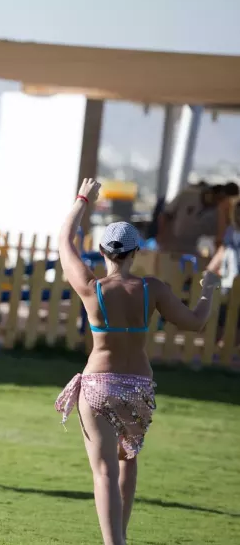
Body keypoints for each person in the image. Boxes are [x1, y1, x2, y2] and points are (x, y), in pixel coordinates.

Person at [55, 177, 219, 545]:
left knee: (104, 472)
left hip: (98, 385)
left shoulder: (92, 287)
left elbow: (64, 241)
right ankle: (122, 538)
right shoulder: (152, 289)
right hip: (139, 387)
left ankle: (114, 543)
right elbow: (195, 322)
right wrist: (209, 292)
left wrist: (83, 199)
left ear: (103, 250)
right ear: (135, 252)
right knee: (127, 460)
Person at [157, 182, 239, 257]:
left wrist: (222, 211)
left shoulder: (217, 212)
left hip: (191, 249)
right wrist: (161, 235)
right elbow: (165, 215)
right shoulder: (187, 195)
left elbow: (221, 238)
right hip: (169, 245)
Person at [206, 198, 240, 345]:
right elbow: (222, 251)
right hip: (228, 282)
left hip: (234, 282)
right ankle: (217, 350)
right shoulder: (231, 231)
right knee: (221, 318)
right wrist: (210, 270)